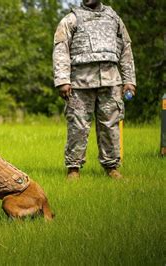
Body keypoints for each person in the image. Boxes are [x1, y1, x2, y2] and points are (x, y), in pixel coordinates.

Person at [52, 0, 136, 180]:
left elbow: (126, 50)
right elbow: (61, 50)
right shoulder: (71, 19)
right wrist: (63, 80)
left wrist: (129, 80)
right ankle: (73, 169)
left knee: (110, 124)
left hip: (111, 81)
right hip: (80, 83)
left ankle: (112, 167)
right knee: (78, 126)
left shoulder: (114, 19)